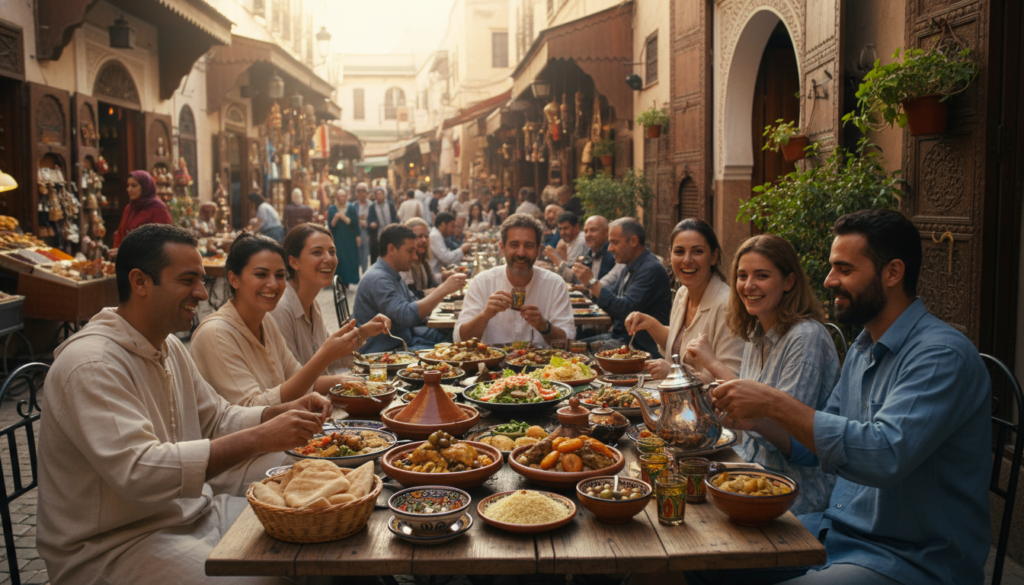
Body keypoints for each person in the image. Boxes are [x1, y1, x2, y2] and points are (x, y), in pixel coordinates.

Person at [701, 209, 992, 584]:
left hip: (909, 558)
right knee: (706, 560)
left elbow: (884, 455)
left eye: (845, 269)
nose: (829, 280)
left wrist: (774, 403)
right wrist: (756, 419)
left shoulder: (939, 356)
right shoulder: (863, 346)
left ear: (892, 273)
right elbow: (814, 446)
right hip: (838, 531)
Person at [37, 224, 331, 585]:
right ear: (140, 282)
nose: (202, 292)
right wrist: (261, 437)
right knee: (273, 576)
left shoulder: (169, 345)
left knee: (312, 531)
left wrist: (278, 413)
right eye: (188, 280)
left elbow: (217, 417)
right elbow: (140, 471)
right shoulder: (92, 364)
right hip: (115, 547)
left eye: (202, 279)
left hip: (196, 514)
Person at [684, 233, 839, 515]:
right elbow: (751, 405)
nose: (748, 285)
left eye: (762, 275)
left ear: (789, 282)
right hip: (752, 474)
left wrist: (749, 420)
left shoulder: (805, 338)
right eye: (742, 276)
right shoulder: (758, 332)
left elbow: (796, 438)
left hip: (794, 496)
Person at [625, 219, 744, 380]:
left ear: (713, 257)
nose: (687, 260)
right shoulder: (683, 293)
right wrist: (650, 323)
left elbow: (731, 382)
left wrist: (675, 374)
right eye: (679, 252)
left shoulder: (727, 306)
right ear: (670, 254)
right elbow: (680, 345)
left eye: (697, 252)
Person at [455, 213, 575, 348]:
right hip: (491, 366)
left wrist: (544, 326)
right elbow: (460, 339)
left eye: (529, 246)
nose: (521, 253)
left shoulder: (554, 284)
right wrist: (485, 315)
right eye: (514, 245)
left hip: (543, 367)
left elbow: (568, 340)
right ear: (502, 248)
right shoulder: (482, 282)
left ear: (538, 250)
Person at [270, 223, 371, 375]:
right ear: (293, 262)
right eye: (317, 252)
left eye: (332, 252)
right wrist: (346, 381)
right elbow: (294, 382)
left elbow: (331, 358)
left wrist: (364, 333)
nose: (329, 259)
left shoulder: (312, 303)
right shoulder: (281, 308)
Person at [353, 224, 466, 352]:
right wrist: (444, 288)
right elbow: (408, 316)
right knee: (456, 351)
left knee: (458, 339)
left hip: (407, 340)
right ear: (391, 249)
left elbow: (414, 305)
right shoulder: (378, 278)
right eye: (410, 251)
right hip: (386, 351)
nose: (415, 257)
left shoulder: (392, 274)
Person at [573, 218, 671, 357]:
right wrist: (587, 289)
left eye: (614, 242)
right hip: (620, 338)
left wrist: (592, 283)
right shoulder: (629, 265)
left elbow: (624, 309)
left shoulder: (651, 269)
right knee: (572, 346)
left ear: (633, 241)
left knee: (574, 352)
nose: (609, 248)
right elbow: (612, 294)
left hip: (639, 348)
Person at [112, 170, 172, 251]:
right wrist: (119, 252)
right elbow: (120, 234)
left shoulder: (158, 209)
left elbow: (161, 242)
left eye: (134, 186)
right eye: (128, 185)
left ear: (145, 187)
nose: (129, 189)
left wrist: (129, 252)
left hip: (150, 262)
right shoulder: (129, 208)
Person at [328, 186, 360, 287]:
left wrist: (358, 236)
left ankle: (347, 281)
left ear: (346, 197)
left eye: (343, 196)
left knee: (349, 258)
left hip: (349, 237)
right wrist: (337, 217)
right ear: (337, 197)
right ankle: (339, 281)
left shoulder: (351, 207)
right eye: (339, 196)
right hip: (338, 237)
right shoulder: (332, 208)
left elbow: (355, 223)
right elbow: (331, 225)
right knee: (339, 258)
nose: (341, 198)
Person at [543, 211, 587, 282]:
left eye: (566, 228)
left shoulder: (580, 241)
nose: (562, 233)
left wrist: (556, 259)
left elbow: (572, 272)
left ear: (576, 227)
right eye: (560, 229)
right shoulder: (568, 240)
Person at [367, 186, 398, 265]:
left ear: (384, 195)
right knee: (377, 256)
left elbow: (395, 218)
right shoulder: (372, 207)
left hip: (391, 234)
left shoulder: (390, 204)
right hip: (378, 236)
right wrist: (371, 224)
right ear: (375, 196)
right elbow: (370, 220)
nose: (380, 196)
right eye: (377, 194)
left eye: (381, 194)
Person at [354, 182, 372, 274]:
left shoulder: (371, 205)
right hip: (356, 233)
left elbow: (373, 219)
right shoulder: (354, 205)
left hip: (366, 232)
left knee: (365, 255)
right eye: (359, 191)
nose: (362, 193)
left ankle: (365, 275)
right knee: (356, 255)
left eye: (363, 191)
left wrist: (367, 223)